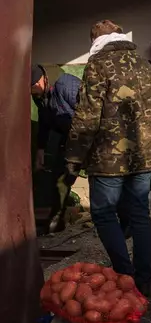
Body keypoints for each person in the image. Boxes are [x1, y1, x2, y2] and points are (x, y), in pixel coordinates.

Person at [64, 20, 151, 297]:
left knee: (104, 213)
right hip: (143, 156)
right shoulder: (148, 67)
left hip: (109, 159)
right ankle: (144, 278)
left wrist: (73, 157)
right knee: (140, 214)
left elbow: (86, 116)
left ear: (96, 41)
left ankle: (125, 275)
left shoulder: (98, 66)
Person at [30, 64, 82, 234]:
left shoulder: (65, 84)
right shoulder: (41, 96)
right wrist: (40, 149)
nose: (31, 93)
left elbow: (88, 111)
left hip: (85, 138)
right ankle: (56, 223)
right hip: (67, 140)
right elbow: (44, 123)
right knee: (60, 179)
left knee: (102, 181)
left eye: (32, 87)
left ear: (41, 80)